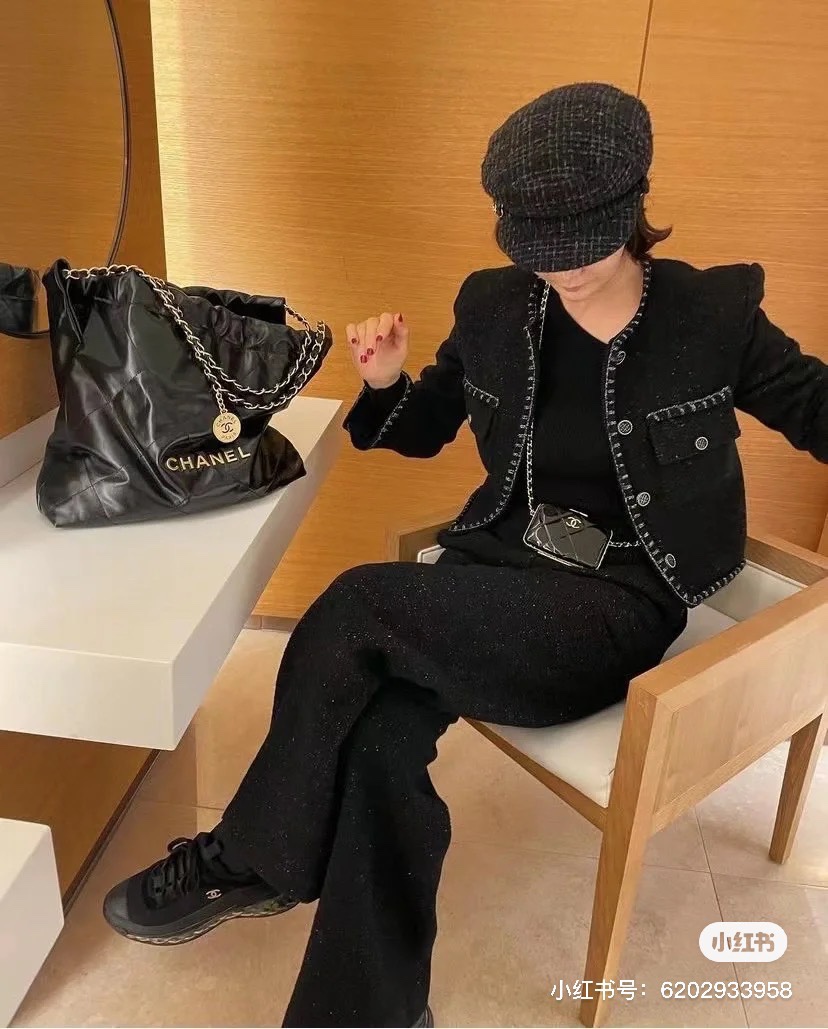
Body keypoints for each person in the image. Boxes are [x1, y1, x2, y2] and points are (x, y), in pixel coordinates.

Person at [102, 83, 828, 1027]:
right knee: (378, 745)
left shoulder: (712, 313)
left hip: (614, 601)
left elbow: (813, 405)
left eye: (583, 248)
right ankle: (371, 1013)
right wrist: (385, 384)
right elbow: (426, 426)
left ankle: (252, 854)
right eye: (539, 251)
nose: (562, 272)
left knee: (358, 602)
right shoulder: (492, 306)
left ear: (634, 208)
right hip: (493, 568)